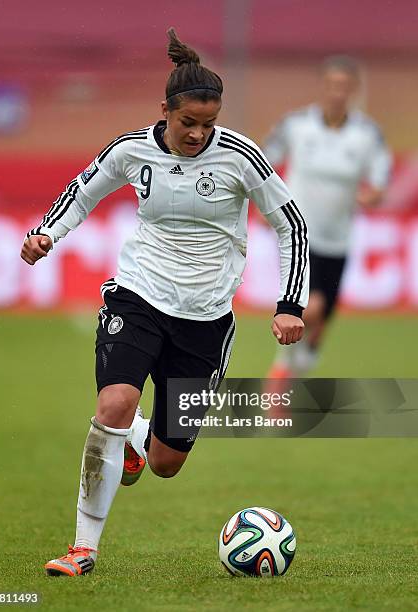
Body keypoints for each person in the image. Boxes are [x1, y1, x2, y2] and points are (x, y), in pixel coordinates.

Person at [21, 28, 309, 577]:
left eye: (208, 123)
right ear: (166, 111)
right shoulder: (131, 150)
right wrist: (46, 234)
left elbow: (289, 221)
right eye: (188, 123)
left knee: (165, 463)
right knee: (113, 403)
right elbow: (84, 192)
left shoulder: (241, 157)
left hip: (205, 321)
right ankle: (83, 548)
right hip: (139, 295)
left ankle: (136, 438)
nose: (199, 134)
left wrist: (288, 303)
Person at [264, 55, 391, 380]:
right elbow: (262, 164)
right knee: (311, 307)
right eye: (333, 85)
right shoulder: (296, 125)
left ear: (354, 90)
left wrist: (371, 195)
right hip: (298, 234)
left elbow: (379, 181)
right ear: (323, 86)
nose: (338, 92)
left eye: (345, 86)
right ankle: (281, 372)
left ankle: (301, 360)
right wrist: (265, 205)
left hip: (338, 240)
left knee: (320, 318)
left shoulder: (367, 135)